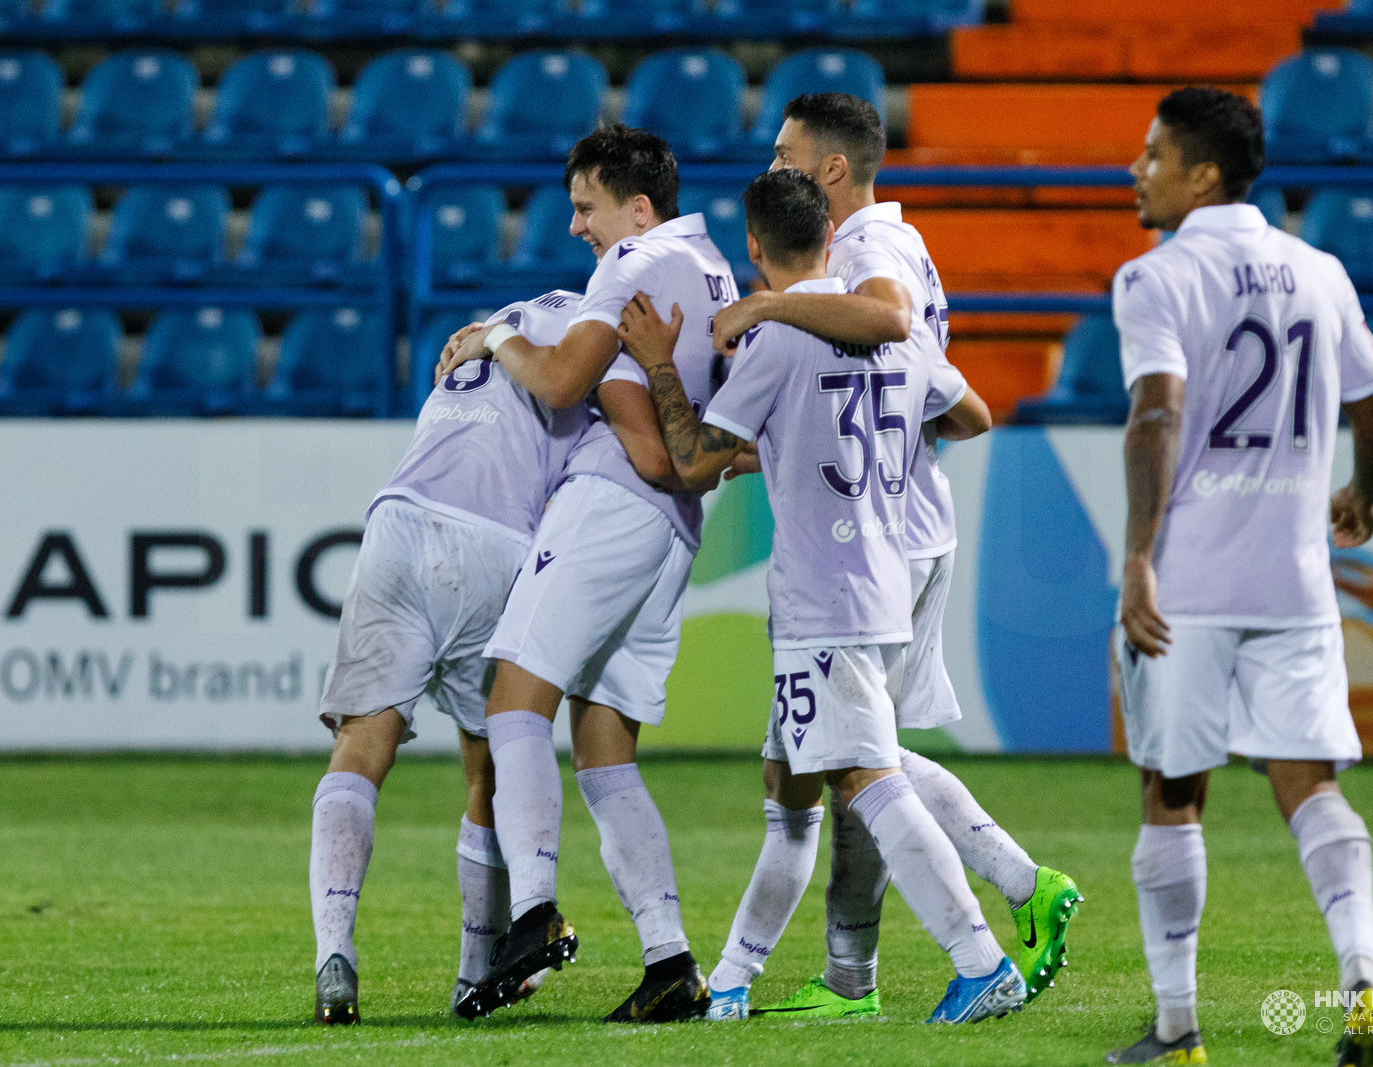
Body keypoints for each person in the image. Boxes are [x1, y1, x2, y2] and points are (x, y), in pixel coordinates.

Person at [702, 91, 1082, 1020]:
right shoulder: (893, 239)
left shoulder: (860, 257)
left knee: (860, 765)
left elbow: (883, 321)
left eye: (789, 154)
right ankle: (860, 968)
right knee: (854, 756)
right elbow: (962, 405)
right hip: (896, 520)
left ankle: (979, 930)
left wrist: (765, 304)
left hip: (869, 536)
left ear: (832, 170)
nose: (776, 164)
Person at [619, 166, 1027, 1024]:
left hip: (824, 595)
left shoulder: (776, 341)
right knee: (789, 787)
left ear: (756, 248)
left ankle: (980, 955)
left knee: (863, 779)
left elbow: (693, 462)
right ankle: (729, 980)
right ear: (831, 241)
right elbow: (972, 414)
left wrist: (659, 365)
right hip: (886, 575)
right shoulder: (897, 330)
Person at [1105, 87, 1373, 1067]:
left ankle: (1179, 1026)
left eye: (1152, 156)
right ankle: (1362, 984)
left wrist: (1139, 554)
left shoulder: (1155, 277)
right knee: (1309, 783)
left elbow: (1156, 415)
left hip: (1188, 580)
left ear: (1202, 174)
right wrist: (1358, 493)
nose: (1137, 171)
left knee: (1171, 787)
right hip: (1294, 579)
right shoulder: (1320, 270)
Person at [438, 125, 739, 1024]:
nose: (576, 228)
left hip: (608, 510)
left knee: (510, 700)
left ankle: (531, 912)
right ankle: (670, 961)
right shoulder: (716, 267)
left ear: (636, 208)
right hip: (676, 529)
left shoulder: (636, 259)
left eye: (585, 207)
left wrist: (496, 338)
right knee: (605, 753)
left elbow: (566, 380)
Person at [307, 290, 589, 1025]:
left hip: (396, 519)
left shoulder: (498, 319)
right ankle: (473, 974)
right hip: (493, 538)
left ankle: (333, 953)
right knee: (489, 763)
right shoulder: (598, 331)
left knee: (359, 745)